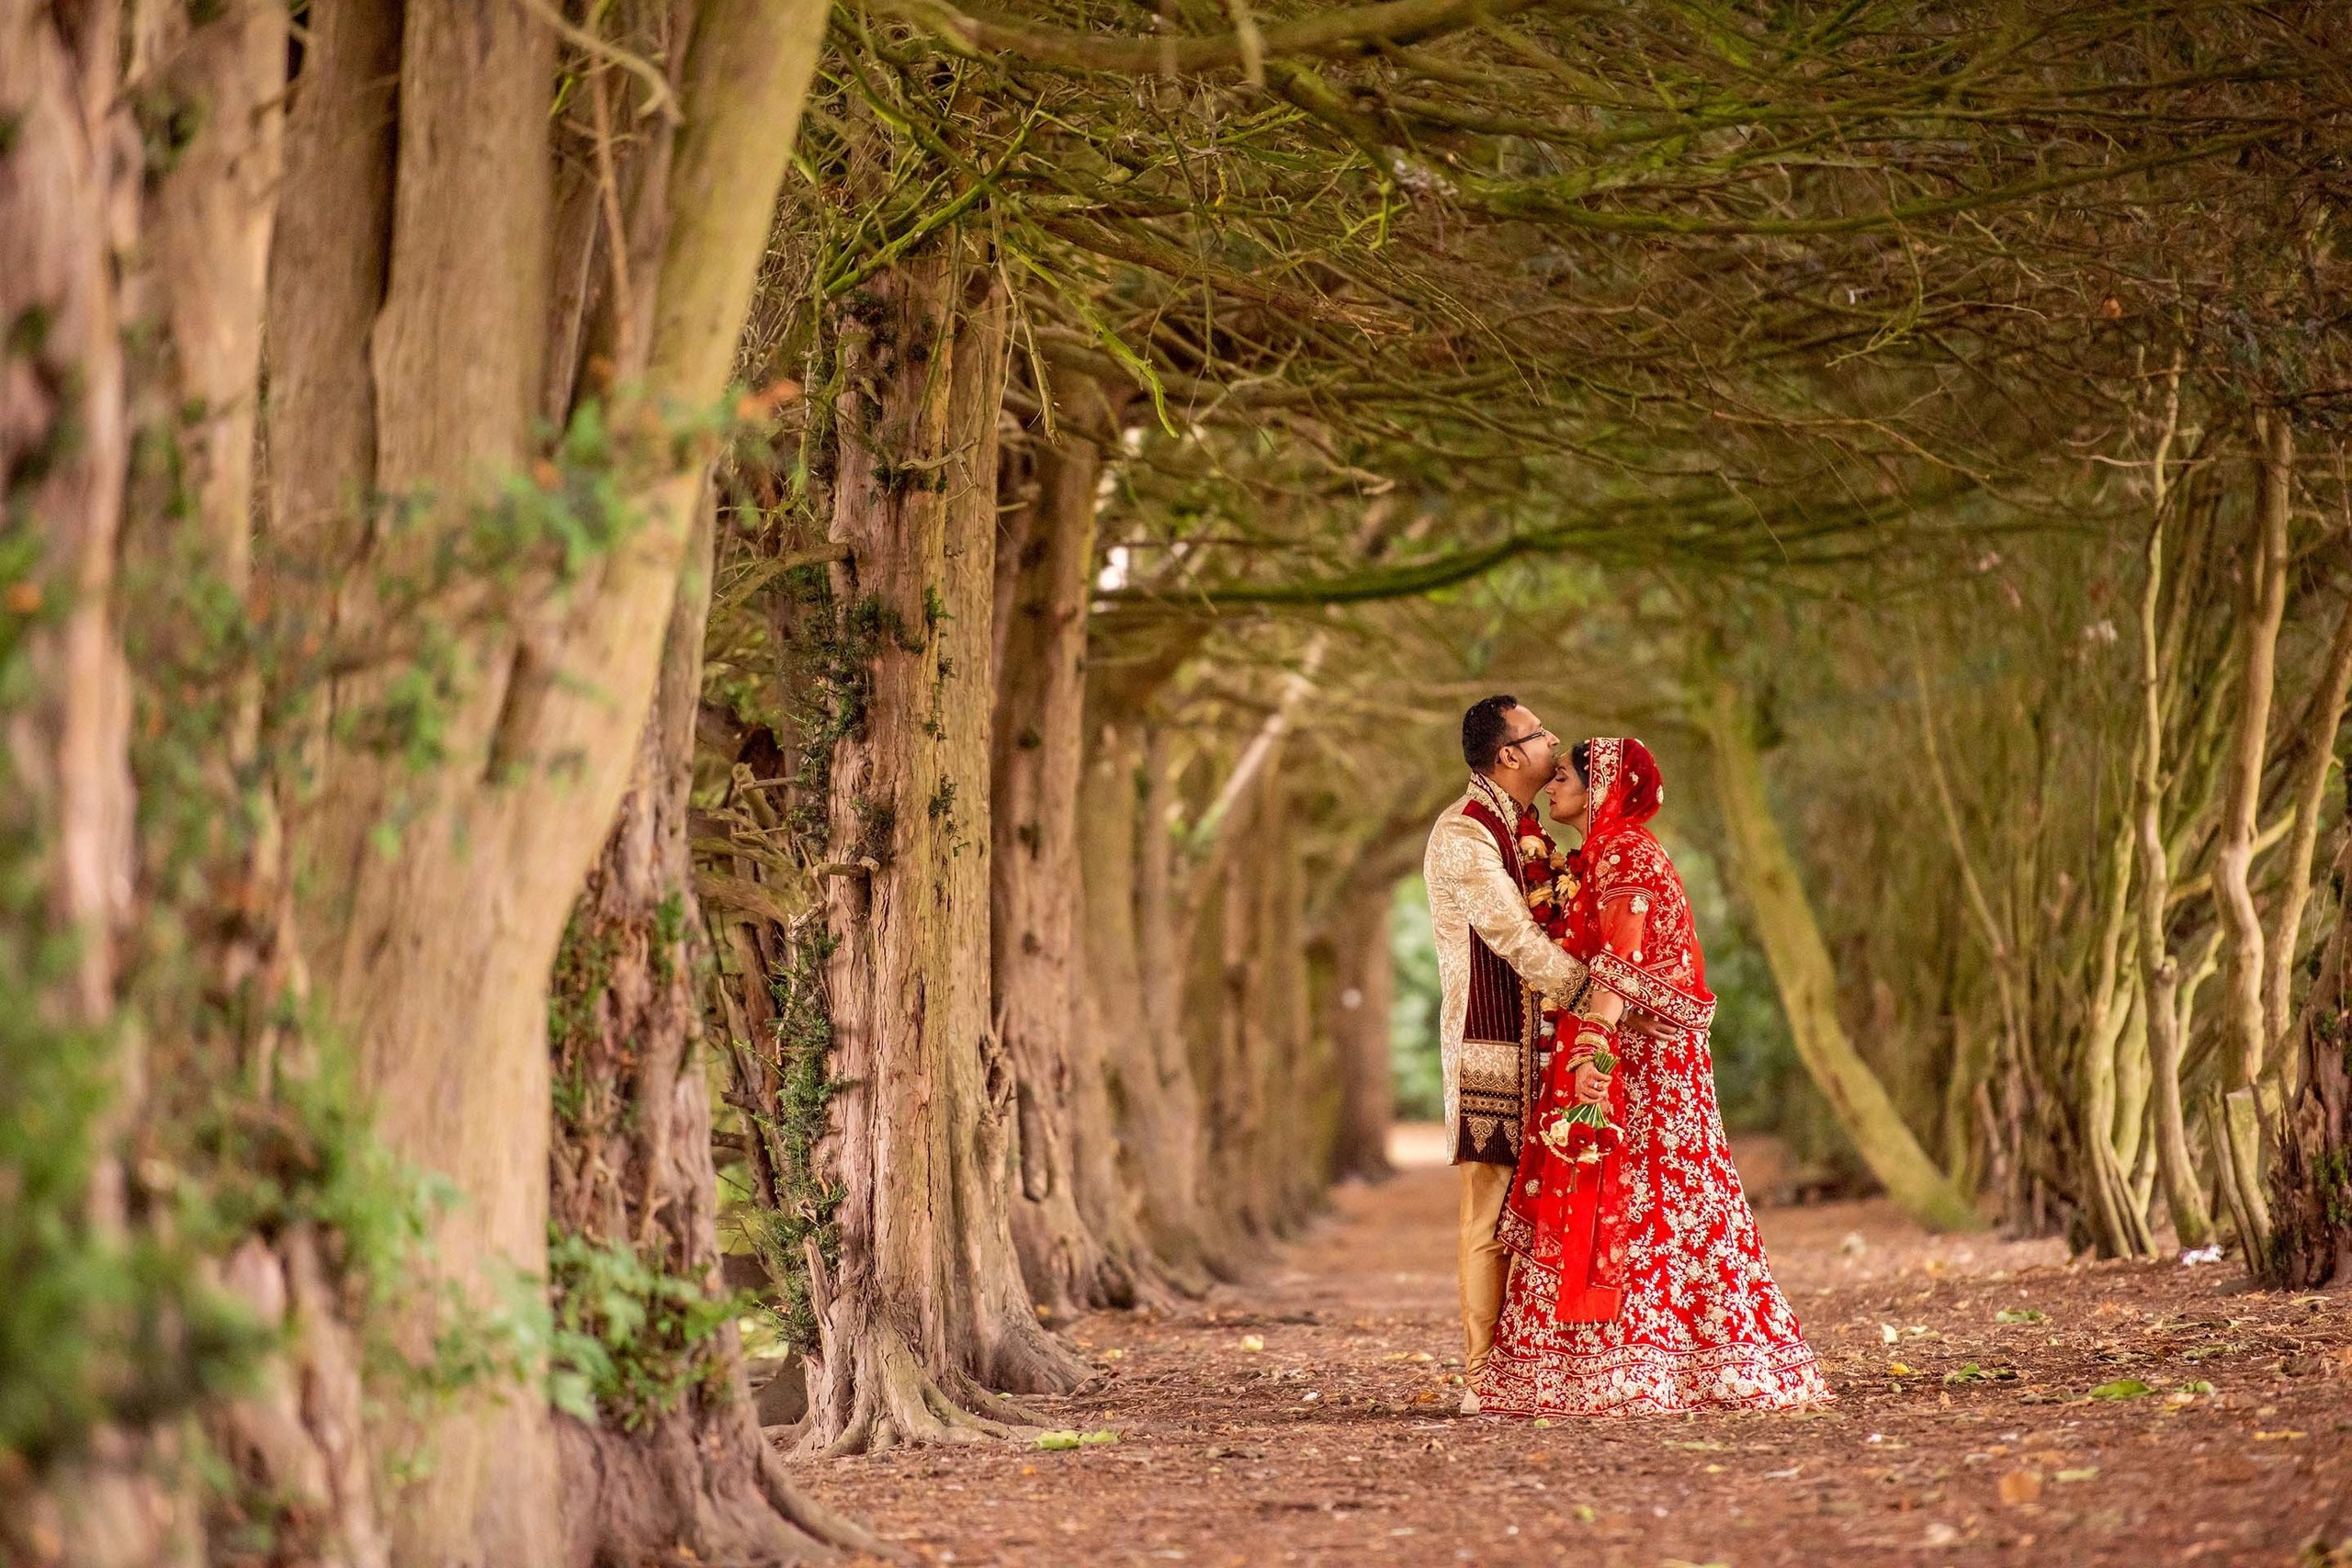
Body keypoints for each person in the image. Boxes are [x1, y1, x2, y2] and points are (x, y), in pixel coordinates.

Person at [1477, 737, 1831, 1416]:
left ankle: (1664, 1362)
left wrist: (1595, 1052)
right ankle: (1626, 1361)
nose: (1552, 789)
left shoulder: (1625, 851)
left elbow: (1620, 961)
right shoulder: (1603, 852)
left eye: (1565, 779)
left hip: (1648, 1063)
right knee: (1629, 1194)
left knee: (1655, 1193)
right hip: (1634, 1050)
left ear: (1601, 785)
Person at [1421, 696, 1593, 1415]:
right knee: (1490, 1213)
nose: (1555, 741)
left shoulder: (1528, 829)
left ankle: (1540, 1364)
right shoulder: (1466, 834)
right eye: (1541, 733)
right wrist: (1598, 993)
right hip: (1491, 1050)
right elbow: (1515, 937)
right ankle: (1481, 1376)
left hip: (1544, 1047)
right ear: (1509, 756)